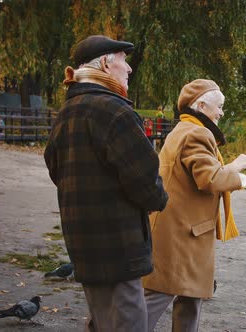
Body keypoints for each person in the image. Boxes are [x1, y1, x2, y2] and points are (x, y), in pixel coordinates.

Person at [44, 35, 168, 332]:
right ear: (104, 63)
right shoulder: (115, 112)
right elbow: (146, 181)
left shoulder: (66, 114)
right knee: (128, 324)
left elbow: (54, 168)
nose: (129, 70)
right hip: (119, 245)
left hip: (82, 242)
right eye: (123, 61)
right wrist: (160, 199)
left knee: (101, 322)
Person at [142, 79, 246, 331]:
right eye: (220, 106)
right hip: (182, 233)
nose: (222, 112)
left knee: (189, 298)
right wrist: (240, 174)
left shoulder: (182, 129)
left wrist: (232, 167)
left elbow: (204, 173)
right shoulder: (197, 133)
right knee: (160, 296)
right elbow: (211, 179)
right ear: (201, 104)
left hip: (182, 228)